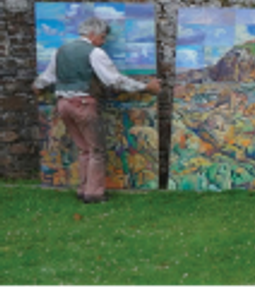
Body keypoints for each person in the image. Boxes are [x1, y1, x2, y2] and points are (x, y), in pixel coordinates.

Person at [32, 17, 161, 204]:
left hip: (63, 104)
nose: (103, 41)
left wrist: (36, 85)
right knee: (96, 150)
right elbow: (114, 80)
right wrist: (145, 87)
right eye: (102, 37)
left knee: (84, 149)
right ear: (92, 35)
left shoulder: (61, 51)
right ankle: (94, 194)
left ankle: (83, 188)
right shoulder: (95, 53)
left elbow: (47, 77)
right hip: (83, 104)